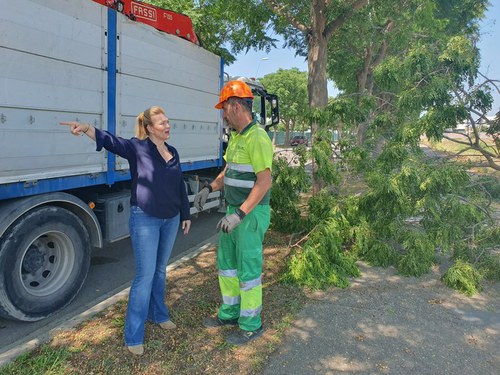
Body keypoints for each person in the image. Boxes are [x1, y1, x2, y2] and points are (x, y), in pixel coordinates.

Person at [60, 106, 191, 356]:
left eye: (168, 121)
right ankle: (133, 335)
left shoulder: (172, 151)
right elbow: (112, 142)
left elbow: (179, 185)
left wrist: (185, 214)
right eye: (162, 123)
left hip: (171, 218)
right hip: (146, 218)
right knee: (145, 276)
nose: (167, 125)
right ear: (150, 128)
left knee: (160, 271)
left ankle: (158, 314)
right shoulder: (137, 147)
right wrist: (88, 128)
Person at [194, 80, 273, 346]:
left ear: (236, 106)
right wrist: (210, 187)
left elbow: (264, 182)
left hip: (250, 214)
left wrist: (239, 214)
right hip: (234, 211)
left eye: (225, 109)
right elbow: (228, 172)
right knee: (227, 265)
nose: (223, 115)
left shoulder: (257, 136)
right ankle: (229, 313)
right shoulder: (237, 137)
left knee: (248, 269)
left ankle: (251, 324)